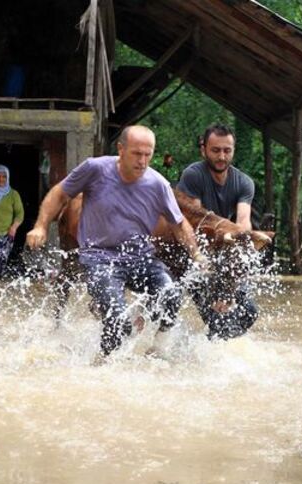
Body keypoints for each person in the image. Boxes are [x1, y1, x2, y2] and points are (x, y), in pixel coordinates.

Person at [25, 125, 205, 359]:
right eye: (136, 153)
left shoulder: (158, 184)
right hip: (100, 259)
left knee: (171, 295)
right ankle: (104, 364)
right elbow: (60, 193)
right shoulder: (95, 169)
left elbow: (179, 224)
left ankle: (157, 350)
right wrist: (40, 225)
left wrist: (197, 255)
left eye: (148, 155)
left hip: (140, 257)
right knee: (117, 319)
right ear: (121, 149)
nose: (142, 161)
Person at [176, 123, 259, 340]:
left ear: (233, 151)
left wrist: (243, 236)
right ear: (204, 150)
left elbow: (243, 222)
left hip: (226, 250)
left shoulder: (244, 182)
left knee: (249, 311)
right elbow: (197, 221)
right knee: (217, 318)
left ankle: (220, 346)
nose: (221, 156)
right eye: (216, 150)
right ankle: (215, 348)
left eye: (227, 150)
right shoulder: (193, 175)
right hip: (196, 254)